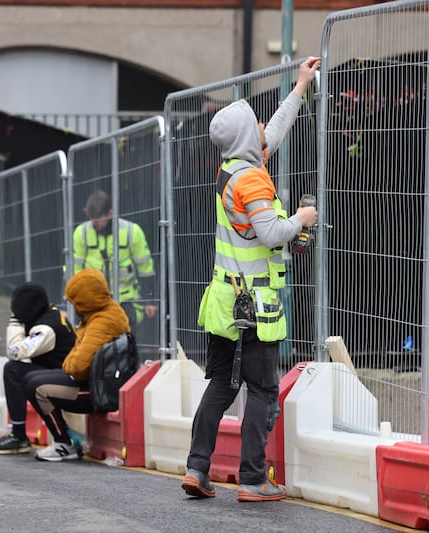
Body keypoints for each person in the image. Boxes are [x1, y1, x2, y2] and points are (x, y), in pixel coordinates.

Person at [181, 56, 320, 502]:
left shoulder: (233, 169)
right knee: (262, 389)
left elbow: (274, 131)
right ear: (245, 136)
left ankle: (197, 469)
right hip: (256, 304)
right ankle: (253, 479)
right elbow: (271, 232)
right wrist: (301, 217)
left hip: (225, 297)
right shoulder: (254, 184)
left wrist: (300, 87)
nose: (263, 125)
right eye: (255, 121)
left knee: (221, 383)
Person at [23, 268, 130, 462]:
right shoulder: (97, 315)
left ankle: (64, 443)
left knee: (37, 387)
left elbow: (79, 367)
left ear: (85, 300)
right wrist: (70, 363)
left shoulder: (104, 320)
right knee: (30, 378)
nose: (75, 308)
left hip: (100, 392)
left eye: (76, 302)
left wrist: (68, 364)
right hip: (95, 382)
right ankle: (64, 439)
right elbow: (77, 354)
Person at [0, 282, 77, 455]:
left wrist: (14, 321)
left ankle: (19, 436)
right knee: (16, 370)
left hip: (68, 379)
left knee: (13, 370)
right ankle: (17, 432)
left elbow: (14, 352)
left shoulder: (46, 328)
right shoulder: (48, 314)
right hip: (60, 372)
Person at [71, 190, 156, 334]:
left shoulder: (132, 232)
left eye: (98, 219)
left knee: (126, 343)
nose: (94, 223)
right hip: (93, 301)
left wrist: (151, 299)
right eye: (91, 218)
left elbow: (145, 268)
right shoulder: (82, 233)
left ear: (110, 213)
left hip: (126, 301)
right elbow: (74, 270)